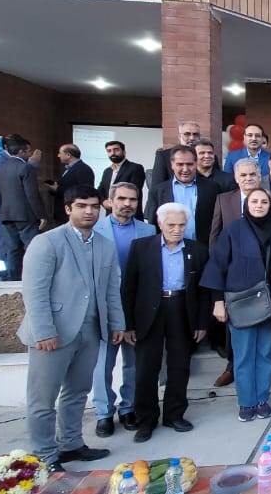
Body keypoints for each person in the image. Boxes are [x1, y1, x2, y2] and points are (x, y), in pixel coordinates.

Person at [18, 185, 123, 471]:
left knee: (78, 391)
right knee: (43, 399)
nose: (89, 211)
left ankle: (71, 444)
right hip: (53, 333)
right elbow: (35, 292)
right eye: (81, 206)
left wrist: (117, 323)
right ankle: (45, 456)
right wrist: (44, 331)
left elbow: (111, 289)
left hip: (90, 330)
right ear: (67, 209)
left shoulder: (104, 245)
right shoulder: (47, 242)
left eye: (94, 206)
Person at [121, 203, 210, 442]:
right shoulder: (141, 247)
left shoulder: (197, 250)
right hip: (149, 312)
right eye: (171, 225)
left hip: (181, 309)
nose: (176, 230)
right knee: (146, 368)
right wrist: (128, 324)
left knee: (179, 365)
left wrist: (202, 322)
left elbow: (204, 291)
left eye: (181, 225)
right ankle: (146, 420)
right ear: (160, 223)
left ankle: (174, 415)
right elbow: (129, 288)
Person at [202, 188, 271, 422]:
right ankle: (246, 402)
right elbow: (217, 265)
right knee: (244, 355)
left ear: (270, 206)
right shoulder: (233, 230)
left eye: (264, 202)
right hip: (241, 303)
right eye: (254, 201)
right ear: (247, 205)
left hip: (269, 302)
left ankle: (262, 399)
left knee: (266, 354)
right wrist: (218, 302)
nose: (259, 205)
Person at [91, 182, 155, 437]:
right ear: (110, 201)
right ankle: (104, 412)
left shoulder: (148, 230)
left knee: (134, 363)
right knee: (103, 364)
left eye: (133, 199)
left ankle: (129, 407)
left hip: (138, 306)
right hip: (105, 306)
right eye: (122, 199)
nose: (127, 204)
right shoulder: (95, 229)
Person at [207, 157, 261, 388]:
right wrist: (218, 267)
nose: (248, 178)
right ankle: (232, 366)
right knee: (234, 323)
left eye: (252, 174)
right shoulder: (224, 199)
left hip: (260, 274)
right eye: (243, 175)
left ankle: (260, 366)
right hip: (232, 272)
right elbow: (214, 235)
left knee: (262, 322)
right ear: (236, 178)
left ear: (259, 176)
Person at [0, 135, 47, 284]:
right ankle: (34, 276)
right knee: (33, 246)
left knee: (12, 247)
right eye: (28, 151)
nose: (30, 154)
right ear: (22, 151)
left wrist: (2, 212)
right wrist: (41, 215)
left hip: (6, 214)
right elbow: (32, 194)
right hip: (25, 214)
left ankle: (13, 277)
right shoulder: (26, 167)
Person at [145, 145, 219, 244]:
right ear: (172, 165)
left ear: (196, 164)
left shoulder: (212, 188)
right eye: (180, 164)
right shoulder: (158, 191)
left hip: (202, 248)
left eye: (189, 164)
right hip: (168, 248)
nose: (185, 169)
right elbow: (153, 223)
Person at [97, 140, 146, 221]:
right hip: (110, 217)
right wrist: (104, 202)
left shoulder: (136, 168)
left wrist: (113, 203)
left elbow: (133, 192)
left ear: (124, 152)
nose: (113, 153)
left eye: (116, 150)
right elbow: (99, 191)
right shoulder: (107, 171)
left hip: (130, 216)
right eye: (109, 151)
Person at [49, 144, 95, 225]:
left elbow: (84, 193)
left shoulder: (83, 169)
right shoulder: (69, 169)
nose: (58, 155)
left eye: (60, 153)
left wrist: (57, 189)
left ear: (68, 155)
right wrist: (55, 188)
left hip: (72, 216)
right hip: (65, 215)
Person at [150, 121, 202, 188]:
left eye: (195, 134)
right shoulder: (164, 156)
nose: (192, 138)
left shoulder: (207, 157)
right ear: (179, 136)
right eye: (187, 134)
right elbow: (156, 186)